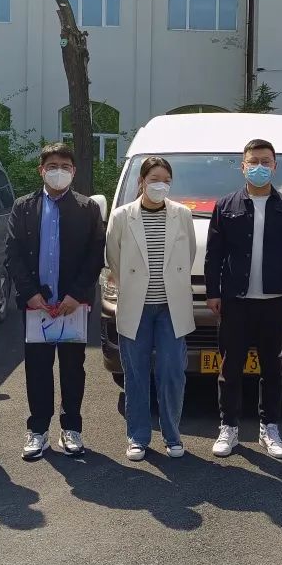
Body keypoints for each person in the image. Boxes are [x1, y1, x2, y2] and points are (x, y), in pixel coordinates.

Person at [204, 138, 282, 459]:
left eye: (266, 162)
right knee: (230, 367)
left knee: (272, 368)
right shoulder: (226, 206)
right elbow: (213, 255)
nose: (259, 167)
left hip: (274, 301)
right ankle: (229, 427)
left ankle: (270, 427)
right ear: (243, 166)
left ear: (275, 167)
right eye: (253, 162)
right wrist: (212, 293)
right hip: (235, 301)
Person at [6, 142, 105, 460]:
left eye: (65, 166)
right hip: (36, 305)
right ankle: (38, 430)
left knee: (73, 368)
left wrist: (76, 294)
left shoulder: (88, 208)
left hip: (73, 305)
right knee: (37, 368)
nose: (58, 172)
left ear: (73, 171)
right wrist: (30, 294)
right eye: (52, 166)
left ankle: (71, 428)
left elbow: (95, 254)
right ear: (41, 170)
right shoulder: (24, 207)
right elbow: (13, 254)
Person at [106, 156, 197, 461]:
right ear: (141, 181)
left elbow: (188, 254)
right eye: (154, 179)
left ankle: (172, 435)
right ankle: (137, 436)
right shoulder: (122, 216)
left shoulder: (182, 214)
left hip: (172, 307)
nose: (161, 185)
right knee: (135, 374)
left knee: (172, 372)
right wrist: (132, 287)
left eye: (166, 180)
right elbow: (114, 258)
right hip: (136, 305)